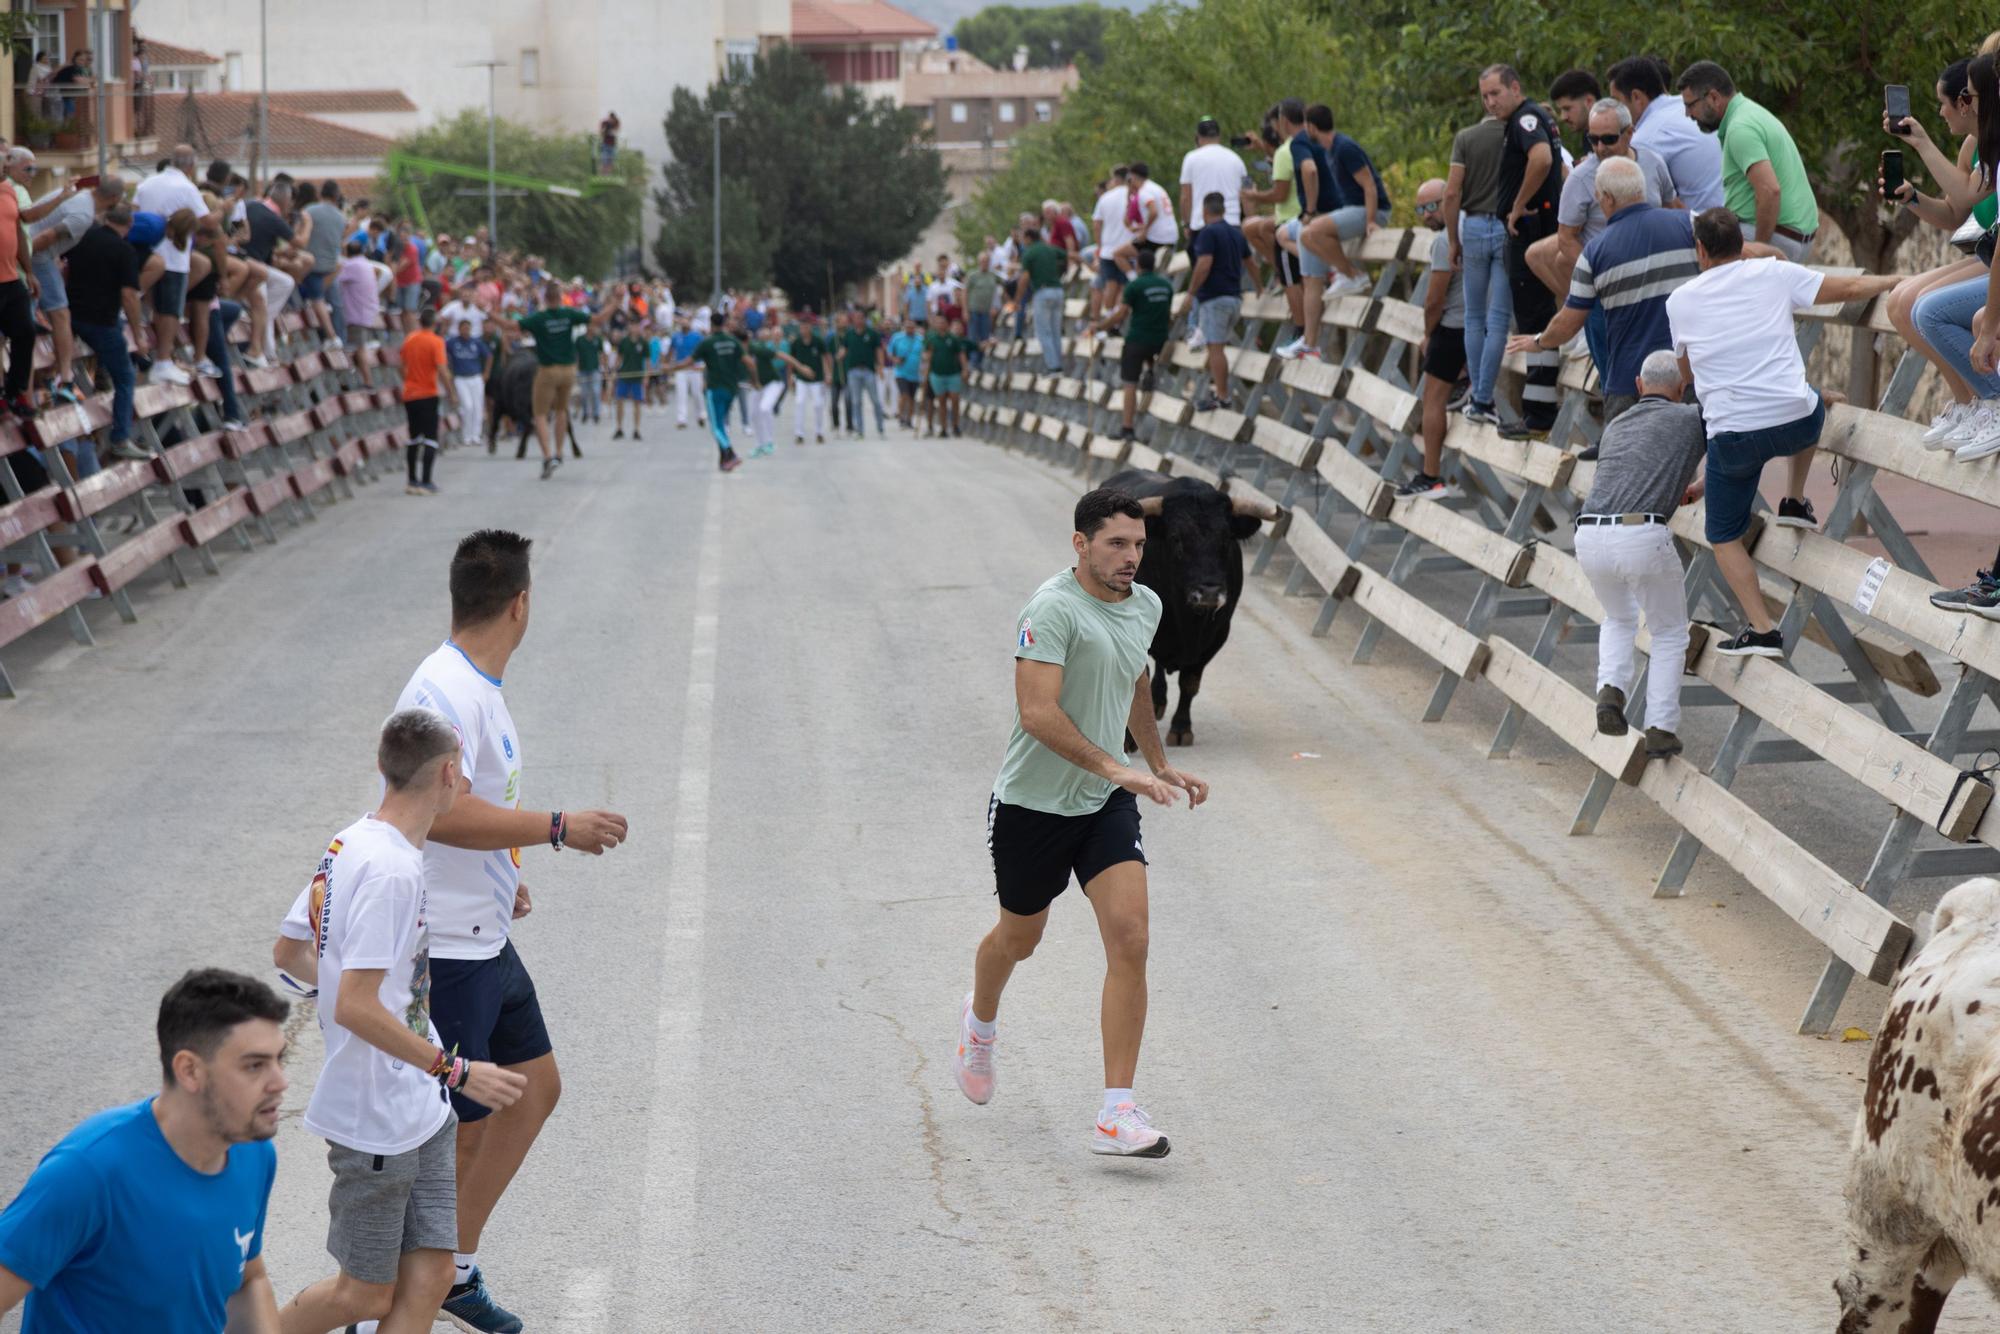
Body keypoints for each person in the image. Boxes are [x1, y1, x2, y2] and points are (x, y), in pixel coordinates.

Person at [388, 530, 628, 1332]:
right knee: (448, 1139)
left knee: (534, 1091)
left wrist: (509, 865)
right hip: (448, 950)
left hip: (485, 933)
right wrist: (557, 826)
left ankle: (449, 1270)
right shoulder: (443, 691)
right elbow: (439, 808)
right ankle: (390, 1301)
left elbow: (472, 804)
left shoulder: (478, 684)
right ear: (521, 605)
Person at [953, 487, 1208, 1159]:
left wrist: (1156, 763)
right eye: (1116, 544)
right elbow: (1037, 712)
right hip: (1031, 807)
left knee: (1131, 940)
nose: (1130, 558)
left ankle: (1115, 1112)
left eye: (1138, 546)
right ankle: (979, 1027)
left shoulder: (1145, 604)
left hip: (1104, 803)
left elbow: (1133, 681)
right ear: (1081, 544)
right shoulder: (1051, 609)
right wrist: (1116, 766)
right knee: (1019, 938)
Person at [271, 711, 528, 1334]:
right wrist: (454, 1068)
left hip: (420, 1102)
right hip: (376, 1115)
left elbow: (290, 952)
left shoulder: (351, 841)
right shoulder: (391, 871)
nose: (466, 786)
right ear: (445, 774)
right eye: (463, 774)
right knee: (364, 1295)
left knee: (435, 1274)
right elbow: (353, 1005)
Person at [1665, 209, 1902, 657]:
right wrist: (1891, 281)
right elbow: (1848, 287)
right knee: (1810, 398)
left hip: (1733, 439)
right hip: (1795, 422)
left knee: (1722, 535)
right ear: (1744, 242)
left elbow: (1688, 375)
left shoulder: (1680, 300)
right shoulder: (1773, 273)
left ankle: (1761, 629)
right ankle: (1794, 498)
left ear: (1699, 250)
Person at [0, 969, 288, 1331]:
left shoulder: (253, 1154)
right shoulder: (90, 1172)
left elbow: (248, 1278)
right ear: (190, 1071)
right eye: (255, 1066)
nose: (280, 1081)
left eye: (280, 1059)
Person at [1573, 350, 1707, 760]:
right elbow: (1734, 425)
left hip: (1589, 532)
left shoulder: (1615, 424)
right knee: (1669, 632)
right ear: (1682, 390)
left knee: (1618, 617)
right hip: (1641, 531)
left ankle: (1610, 692)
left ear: (1638, 386)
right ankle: (1661, 728)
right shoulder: (1689, 417)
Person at [1507, 158, 1701, 427]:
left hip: (1631, 383)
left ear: (1606, 199)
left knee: (1628, 463)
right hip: (1692, 373)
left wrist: (1539, 341)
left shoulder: (1595, 253)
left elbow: (1569, 322)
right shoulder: (1690, 225)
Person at [1890, 56, 2000, 454]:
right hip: (1989, 253)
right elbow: (1957, 211)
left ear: (1967, 102)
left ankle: (1986, 401)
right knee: (1901, 301)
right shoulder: (1973, 145)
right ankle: (1969, 402)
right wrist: (1914, 198)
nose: (1940, 112)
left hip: (1991, 255)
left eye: (1945, 102)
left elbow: (1969, 195)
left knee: (1925, 308)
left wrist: (1921, 142)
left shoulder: (1990, 145)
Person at [1526, 97, 1678, 336]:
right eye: (1593, 139)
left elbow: (1672, 209)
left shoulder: (1653, 162)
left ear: (1629, 133)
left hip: (1655, 284)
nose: (1599, 148)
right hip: (1607, 290)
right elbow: (1566, 238)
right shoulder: (1581, 179)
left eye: (1608, 139)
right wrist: (1596, 274)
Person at [1488, 64, 1566, 435]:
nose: (1490, 103)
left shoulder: (1526, 120)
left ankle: (1539, 414)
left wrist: (1517, 206)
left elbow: (1543, 160)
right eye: (1484, 96)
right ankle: (1539, 411)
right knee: (1535, 319)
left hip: (1530, 231)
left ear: (1514, 87)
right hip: (1539, 229)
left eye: (1495, 94)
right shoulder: (1530, 118)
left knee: (1534, 321)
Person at [1678, 60, 1819, 261]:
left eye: (1690, 105)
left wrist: (1758, 253)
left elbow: (1770, 191)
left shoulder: (1740, 128)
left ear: (1713, 97)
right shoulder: (1750, 112)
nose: (1687, 114)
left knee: (1695, 255)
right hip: (1793, 237)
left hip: (1778, 238)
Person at [491, 286, 605, 479]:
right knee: (561, 411)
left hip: (547, 370)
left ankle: (548, 456)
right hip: (568, 370)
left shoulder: (539, 318)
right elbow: (598, 319)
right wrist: (616, 302)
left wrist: (488, 312)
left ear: (545, 298)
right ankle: (559, 452)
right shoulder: (569, 314)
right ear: (560, 297)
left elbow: (510, 326)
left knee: (540, 414)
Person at [1399, 178, 1467, 499]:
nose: (1426, 215)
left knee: (1432, 401)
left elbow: (1434, 300)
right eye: (1420, 209)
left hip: (1453, 326)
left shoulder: (1445, 240)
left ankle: (1431, 476)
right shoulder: (1478, 225)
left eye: (1431, 206)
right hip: (1480, 325)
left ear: (1449, 199)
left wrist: (1428, 334)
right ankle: (1465, 381)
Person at [64, 204, 147, 461]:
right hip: (100, 321)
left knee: (110, 361)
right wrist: (139, 334)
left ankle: (101, 374)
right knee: (125, 377)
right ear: (128, 226)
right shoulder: (124, 250)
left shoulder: (83, 239)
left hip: (71, 316)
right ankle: (120, 438)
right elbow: (129, 296)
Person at [1445, 101, 1509, 427]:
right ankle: (1483, 399)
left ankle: (1477, 396)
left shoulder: (1466, 138)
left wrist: (1452, 240)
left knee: (1474, 316)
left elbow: (1451, 193)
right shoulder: (1516, 135)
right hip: (1506, 226)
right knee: (1498, 318)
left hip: (1472, 228)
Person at [28, 175, 117, 405]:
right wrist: (19, 259)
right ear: (114, 198)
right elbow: (46, 237)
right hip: (36, 256)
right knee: (60, 313)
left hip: (36, 252)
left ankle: (57, 375)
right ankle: (64, 378)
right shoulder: (83, 215)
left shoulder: (78, 195)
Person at [1296, 105, 1390, 307]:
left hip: (1374, 210)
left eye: (1305, 126)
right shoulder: (1329, 150)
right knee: (1305, 235)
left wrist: (1372, 220)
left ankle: (1353, 276)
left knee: (1316, 229)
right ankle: (1346, 273)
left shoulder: (1345, 147)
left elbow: (1370, 185)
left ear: (1312, 127)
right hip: (1354, 209)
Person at [1609, 56, 1724, 212]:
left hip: (1708, 228)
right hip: (1735, 215)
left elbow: (1643, 208)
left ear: (1636, 97)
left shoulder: (1645, 140)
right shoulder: (1684, 104)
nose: (1614, 110)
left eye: (1617, 101)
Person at [134, 144, 210, 370]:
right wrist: (224, 209)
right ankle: (164, 360)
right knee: (169, 310)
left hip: (147, 252)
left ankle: (164, 358)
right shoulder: (187, 188)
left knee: (157, 305)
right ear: (191, 165)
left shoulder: (147, 183)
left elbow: (133, 210)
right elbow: (206, 221)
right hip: (175, 257)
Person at [1087, 249, 1173, 441]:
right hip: (1159, 340)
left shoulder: (1135, 286)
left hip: (1137, 340)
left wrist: (1099, 326)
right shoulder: (1166, 286)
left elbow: (1121, 313)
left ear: (1138, 266)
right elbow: (1168, 315)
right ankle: (1150, 369)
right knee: (1151, 368)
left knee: (1129, 384)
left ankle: (1127, 428)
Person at [667, 313, 759, 471]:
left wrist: (671, 368)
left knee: (716, 427)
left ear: (711, 324)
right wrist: (756, 382)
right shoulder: (733, 341)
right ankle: (724, 461)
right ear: (724, 323)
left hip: (715, 389)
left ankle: (731, 453)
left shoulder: (708, 343)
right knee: (721, 424)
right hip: (731, 389)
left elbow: (689, 361)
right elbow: (750, 363)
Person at [1186, 191, 1250, 412]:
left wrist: (1191, 293)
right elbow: (1250, 261)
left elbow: (1204, 263)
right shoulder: (1236, 233)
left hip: (1214, 299)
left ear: (1204, 211)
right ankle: (1220, 392)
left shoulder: (1207, 233)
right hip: (1234, 298)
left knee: (1215, 349)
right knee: (1217, 347)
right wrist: (1260, 288)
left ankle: (1223, 397)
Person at [0, 157, 38, 421]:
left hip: (12, 278)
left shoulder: (8, 190)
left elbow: (18, 233)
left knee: (26, 332)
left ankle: (14, 391)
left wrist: (30, 272)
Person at [400, 308, 453, 496]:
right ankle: (426, 481)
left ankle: (411, 481)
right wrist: (450, 392)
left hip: (410, 394)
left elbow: (402, 366)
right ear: (434, 323)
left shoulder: (409, 339)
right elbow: (441, 368)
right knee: (430, 438)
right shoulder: (436, 341)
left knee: (414, 437)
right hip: (428, 393)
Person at [1021, 226, 1068, 374]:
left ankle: (1053, 367)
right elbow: (1066, 255)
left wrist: (1017, 299)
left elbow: (1025, 278)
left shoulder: (1029, 253)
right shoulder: (1049, 248)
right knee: (1055, 331)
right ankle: (1058, 365)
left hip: (1042, 292)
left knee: (1044, 332)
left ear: (1028, 238)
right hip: (1058, 290)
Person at [1089, 167, 1133, 320]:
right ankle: (1118, 317)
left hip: (1108, 249)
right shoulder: (1132, 195)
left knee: (1111, 284)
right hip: (1127, 247)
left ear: (1116, 179)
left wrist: (1100, 247)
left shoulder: (1105, 198)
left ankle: (1109, 315)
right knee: (1124, 285)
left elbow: (1096, 225)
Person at [838, 308, 887, 438]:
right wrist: (840, 355)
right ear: (853, 319)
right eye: (856, 318)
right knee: (856, 402)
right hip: (853, 372)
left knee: (875, 400)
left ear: (865, 319)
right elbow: (844, 349)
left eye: (861, 318)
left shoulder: (872, 334)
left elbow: (879, 351)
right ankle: (859, 430)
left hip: (868, 371)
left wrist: (880, 367)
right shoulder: (849, 334)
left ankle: (880, 428)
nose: (858, 320)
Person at [920, 316, 968, 438]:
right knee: (941, 401)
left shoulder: (953, 339)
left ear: (947, 324)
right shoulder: (931, 339)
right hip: (937, 374)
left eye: (943, 322)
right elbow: (926, 355)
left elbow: (961, 354)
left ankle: (956, 426)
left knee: (954, 399)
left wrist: (965, 369)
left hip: (953, 373)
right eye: (939, 323)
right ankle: (943, 428)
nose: (941, 325)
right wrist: (926, 363)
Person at [445, 317, 489, 448]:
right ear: (459, 329)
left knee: (477, 406)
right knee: (467, 406)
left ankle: (476, 435)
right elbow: (444, 354)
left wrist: (486, 373)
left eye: (468, 328)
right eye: (463, 328)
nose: (466, 331)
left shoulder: (476, 342)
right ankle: (466, 435)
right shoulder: (452, 343)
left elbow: (488, 356)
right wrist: (449, 370)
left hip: (476, 377)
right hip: (460, 378)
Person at [789, 315, 832, 444]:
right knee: (799, 403)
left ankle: (819, 432)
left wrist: (828, 374)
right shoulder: (796, 342)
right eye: (802, 327)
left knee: (818, 404)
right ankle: (799, 434)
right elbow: (792, 360)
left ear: (811, 328)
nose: (804, 330)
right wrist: (791, 376)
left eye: (806, 327)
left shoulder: (818, 341)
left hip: (817, 379)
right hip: (801, 379)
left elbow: (826, 357)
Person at [1548, 69, 1603, 157]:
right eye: (1561, 110)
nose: (1563, 117)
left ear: (1589, 101)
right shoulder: (1587, 136)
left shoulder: (1613, 135)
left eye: (1567, 108)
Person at [612, 321, 648, 440]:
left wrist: (646, 377)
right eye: (632, 325)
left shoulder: (643, 343)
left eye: (636, 325)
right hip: (624, 375)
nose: (634, 328)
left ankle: (636, 429)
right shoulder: (624, 342)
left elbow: (647, 361)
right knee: (619, 401)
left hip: (637, 377)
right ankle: (619, 428)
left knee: (637, 403)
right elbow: (619, 358)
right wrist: (614, 371)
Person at [668, 315, 705, 431]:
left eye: (686, 320)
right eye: (682, 320)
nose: (684, 323)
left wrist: (703, 365)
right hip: (680, 368)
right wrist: (667, 364)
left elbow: (703, 351)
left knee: (696, 392)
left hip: (695, 368)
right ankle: (681, 419)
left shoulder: (697, 336)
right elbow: (671, 351)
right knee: (681, 393)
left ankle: (701, 414)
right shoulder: (676, 337)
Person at [964, 255, 999, 367]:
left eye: (986, 261)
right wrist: (965, 310)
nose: (984, 263)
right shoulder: (973, 275)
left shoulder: (993, 276)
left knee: (985, 337)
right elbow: (965, 293)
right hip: (974, 310)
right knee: (973, 337)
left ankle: (982, 363)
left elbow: (998, 291)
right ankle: (973, 363)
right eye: (982, 261)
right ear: (979, 262)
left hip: (986, 311)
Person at [889, 317, 925, 427]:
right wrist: (895, 360)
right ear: (904, 327)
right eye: (908, 327)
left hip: (915, 374)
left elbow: (925, 354)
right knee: (904, 395)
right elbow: (890, 352)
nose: (910, 329)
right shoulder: (897, 338)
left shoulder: (921, 339)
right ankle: (901, 417)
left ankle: (909, 419)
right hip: (901, 372)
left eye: (912, 327)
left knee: (912, 398)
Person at [573, 323, 604, 426]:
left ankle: (596, 413)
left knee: (595, 392)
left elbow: (601, 354)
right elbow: (576, 355)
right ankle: (585, 412)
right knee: (584, 393)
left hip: (595, 369)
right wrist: (575, 368)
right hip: (583, 369)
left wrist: (604, 366)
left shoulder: (598, 339)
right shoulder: (580, 340)